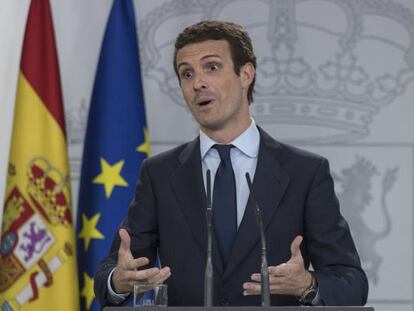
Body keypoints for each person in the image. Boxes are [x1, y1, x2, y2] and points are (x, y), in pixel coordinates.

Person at [94, 20, 368, 307]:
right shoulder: (160, 174)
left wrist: (307, 285)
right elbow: (109, 273)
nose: (197, 82)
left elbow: (351, 282)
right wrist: (118, 280)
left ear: (246, 74)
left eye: (211, 67)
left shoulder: (305, 172)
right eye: (186, 73)